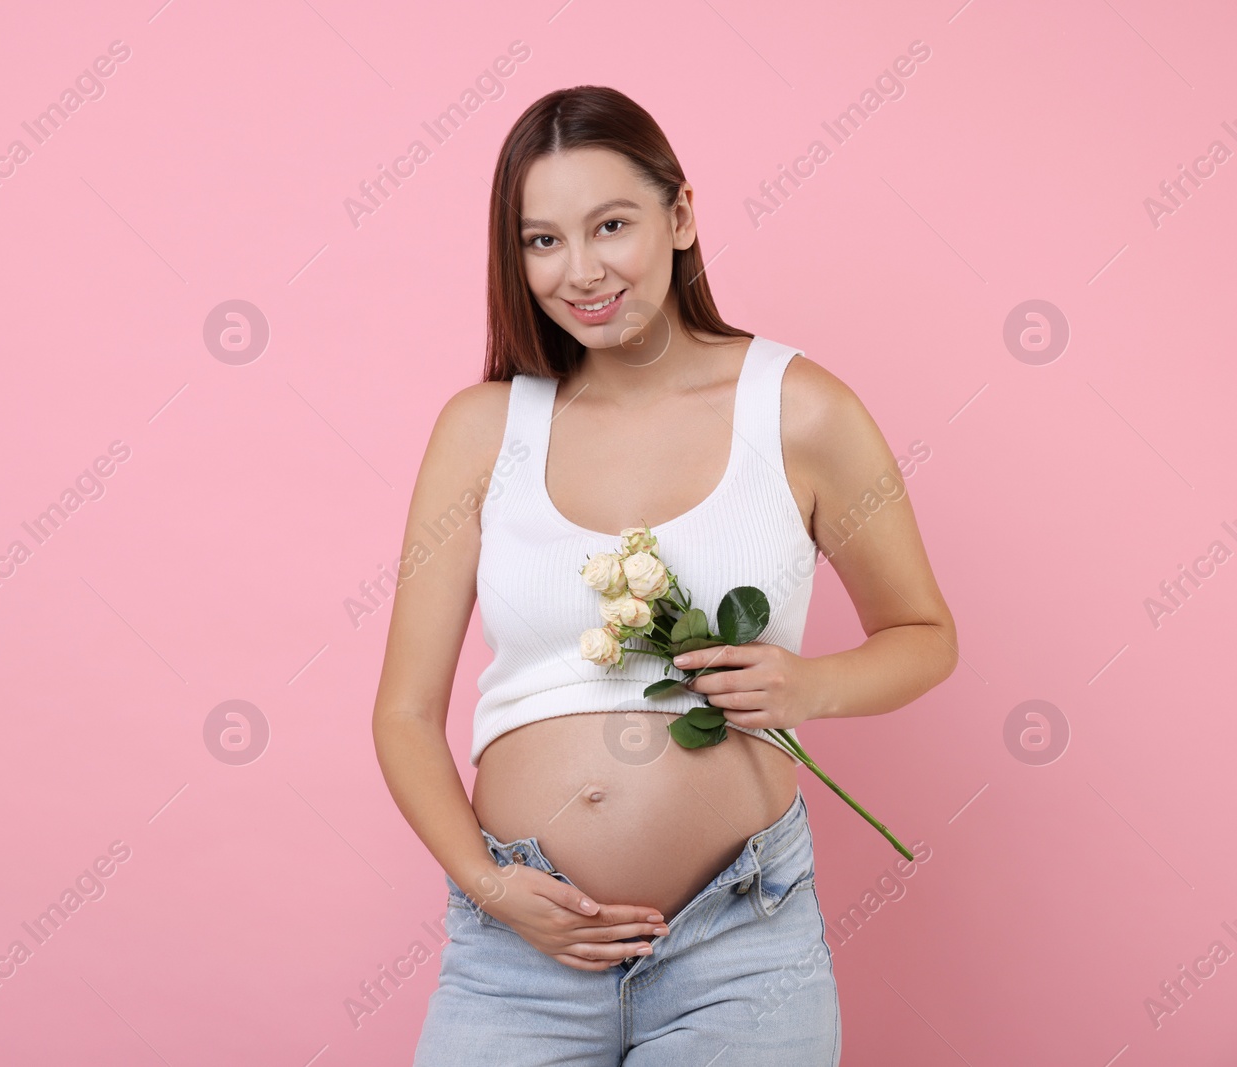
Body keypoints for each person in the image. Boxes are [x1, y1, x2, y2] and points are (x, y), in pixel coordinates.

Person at [371, 85, 957, 1066]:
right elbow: (400, 712)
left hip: (741, 941)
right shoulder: (482, 430)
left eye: (611, 225)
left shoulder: (798, 409)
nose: (582, 270)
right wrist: (488, 883)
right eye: (542, 240)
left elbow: (923, 634)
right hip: (521, 945)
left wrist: (808, 683)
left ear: (679, 216)